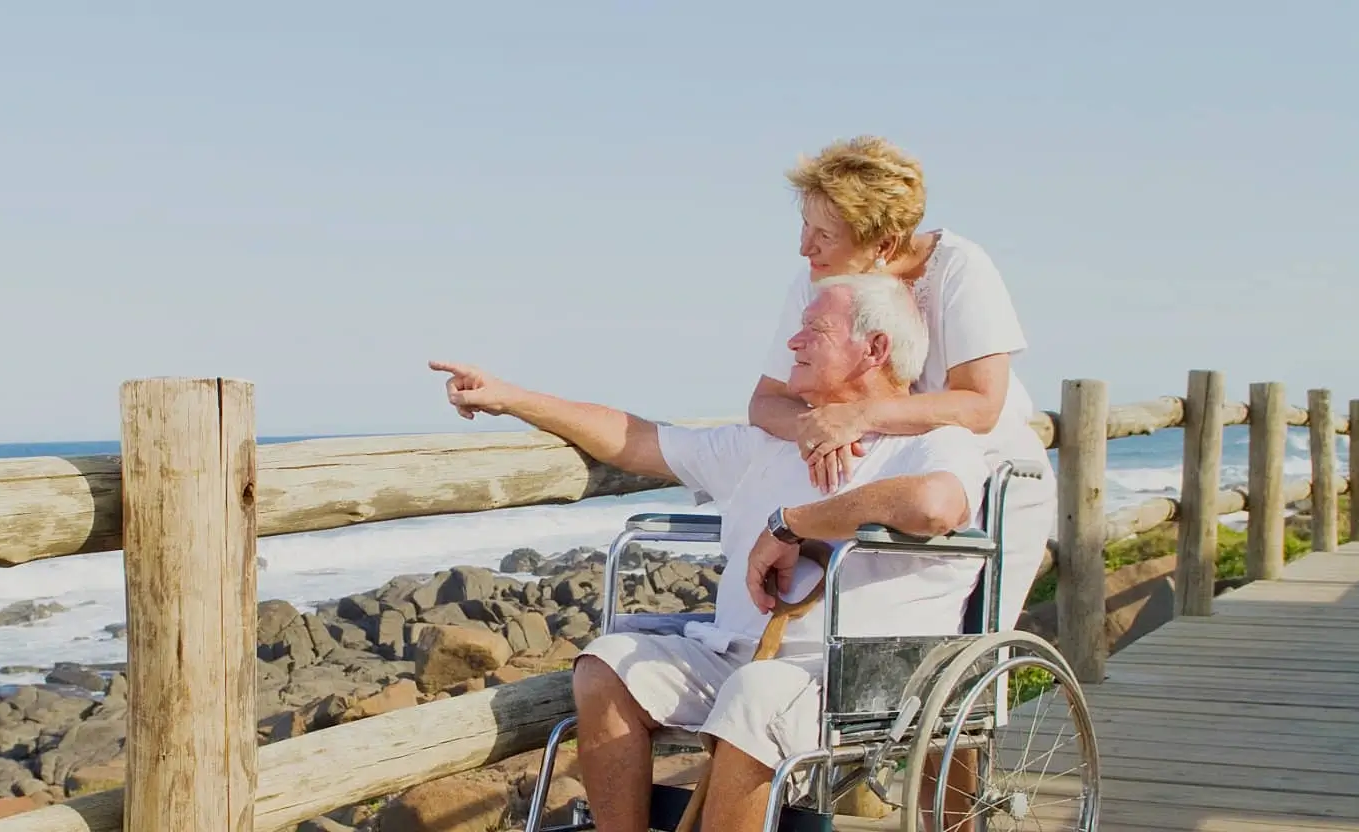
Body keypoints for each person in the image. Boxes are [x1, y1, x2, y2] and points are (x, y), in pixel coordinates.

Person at [430, 275, 988, 832]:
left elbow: (936, 505)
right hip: (738, 656)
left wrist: (793, 525)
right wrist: (512, 397)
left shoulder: (934, 441)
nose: (792, 343)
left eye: (814, 330)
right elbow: (637, 439)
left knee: (754, 695)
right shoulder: (771, 443)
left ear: (875, 348)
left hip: (855, 677)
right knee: (608, 667)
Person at [749, 135, 1055, 632]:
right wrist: (814, 428)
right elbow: (766, 403)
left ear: (883, 245)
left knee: (970, 649)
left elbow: (980, 406)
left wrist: (858, 417)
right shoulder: (815, 280)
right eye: (806, 226)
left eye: (824, 235)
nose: (805, 247)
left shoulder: (960, 267)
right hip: (889, 487)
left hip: (992, 485)